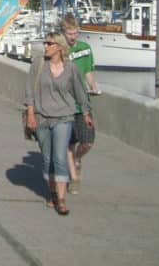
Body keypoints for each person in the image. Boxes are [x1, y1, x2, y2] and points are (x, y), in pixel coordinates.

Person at [24, 31, 93, 216]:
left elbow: (80, 91)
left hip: (64, 117)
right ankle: (52, 193)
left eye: (49, 44)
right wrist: (30, 114)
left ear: (60, 48)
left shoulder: (71, 69)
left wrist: (86, 112)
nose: (45, 46)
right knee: (47, 159)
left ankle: (61, 200)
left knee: (60, 157)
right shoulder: (38, 64)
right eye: (45, 43)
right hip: (41, 117)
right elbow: (29, 90)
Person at [61, 13, 99, 194]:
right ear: (63, 33)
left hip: (83, 104)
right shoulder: (60, 52)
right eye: (70, 33)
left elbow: (88, 71)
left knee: (87, 142)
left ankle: (77, 159)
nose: (73, 37)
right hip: (65, 104)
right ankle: (74, 178)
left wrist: (93, 85)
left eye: (76, 33)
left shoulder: (85, 49)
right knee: (69, 143)